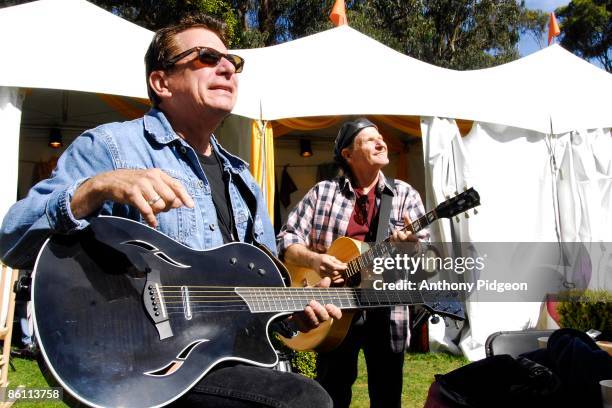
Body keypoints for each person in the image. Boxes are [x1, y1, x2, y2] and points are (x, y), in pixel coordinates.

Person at [0, 14, 340, 408]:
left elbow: (256, 292)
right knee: (305, 400)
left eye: (233, 61)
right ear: (161, 82)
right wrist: (91, 189)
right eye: (206, 57)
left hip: (220, 361)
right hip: (134, 363)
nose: (227, 66)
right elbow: (12, 238)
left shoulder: (243, 178)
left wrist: (293, 313)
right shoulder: (111, 147)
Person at [277, 118, 428, 408]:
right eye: (370, 139)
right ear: (348, 154)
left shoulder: (405, 195)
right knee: (332, 392)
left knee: (387, 395)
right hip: (334, 309)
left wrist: (412, 248)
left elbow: (426, 261)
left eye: (381, 137)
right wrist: (315, 260)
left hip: (386, 309)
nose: (381, 142)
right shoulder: (324, 193)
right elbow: (286, 240)